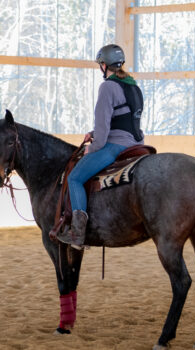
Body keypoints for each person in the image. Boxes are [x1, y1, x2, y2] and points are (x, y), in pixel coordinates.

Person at [58, 44, 145, 250]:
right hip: (138, 145)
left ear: (104, 65)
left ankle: (78, 234)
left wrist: (93, 146)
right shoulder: (134, 86)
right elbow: (122, 119)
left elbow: (104, 128)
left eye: (101, 65)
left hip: (116, 146)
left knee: (75, 178)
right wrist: (95, 132)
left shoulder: (107, 87)